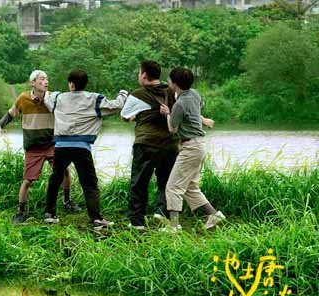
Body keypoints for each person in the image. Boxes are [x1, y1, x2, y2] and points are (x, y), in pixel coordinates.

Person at [0, 70, 80, 224]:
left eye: (46, 79)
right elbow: (11, 113)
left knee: (65, 171)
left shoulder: (53, 98)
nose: (45, 82)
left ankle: (67, 202)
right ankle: (21, 212)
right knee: (27, 180)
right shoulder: (23, 98)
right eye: (41, 79)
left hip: (53, 144)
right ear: (33, 83)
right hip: (33, 148)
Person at [43, 69, 128, 230]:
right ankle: (96, 218)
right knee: (89, 183)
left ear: (71, 84)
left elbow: (48, 102)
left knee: (55, 179)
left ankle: (50, 214)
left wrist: (47, 92)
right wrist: (123, 93)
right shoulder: (94, 98)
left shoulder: (59, 98)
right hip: (81, 146)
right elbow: (116, 106)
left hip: (61, 145)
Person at [160, 67, 225, 231]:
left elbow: (172, 129)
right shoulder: (194, 94)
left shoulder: (179, 104)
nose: (168, 83)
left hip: (190, 147)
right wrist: (204, 120)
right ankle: (214, 215)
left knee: (173, 186)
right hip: (198, 145)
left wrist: (167, 113)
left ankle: (173, 226)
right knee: (190, 187)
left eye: (169, 80)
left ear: (174, 84)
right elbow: (196, 110)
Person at [120, 60, 179, 230]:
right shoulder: (171, 92)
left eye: (139, 73)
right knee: (166, 182)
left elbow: (124, 116)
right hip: (170, 145)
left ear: (144, 75)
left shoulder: (137, 94)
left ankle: (137, 222)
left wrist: (136, 115)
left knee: (139, 183)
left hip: (146, 144)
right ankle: (162, 214)